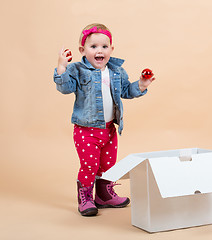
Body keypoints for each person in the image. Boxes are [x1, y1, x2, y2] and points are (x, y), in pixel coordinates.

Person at [53, 23, 155, 216]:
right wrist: (61, 67)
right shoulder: (77, 70)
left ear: (111, 49)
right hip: (86, 131)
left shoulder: (116, 71)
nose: (99, 51)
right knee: (90, 165)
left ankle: (103, 195)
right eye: (93, 47)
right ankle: (85, 197)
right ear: (82, 50)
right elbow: (65, 88)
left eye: (104, 47)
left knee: (108, 165)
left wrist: (141, 85)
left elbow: (125, 91)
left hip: (109, 130)